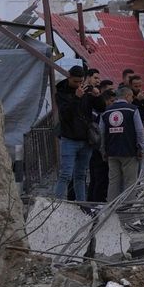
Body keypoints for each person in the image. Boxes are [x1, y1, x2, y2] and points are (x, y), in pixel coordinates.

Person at [52, 65, 93, 201]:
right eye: (75, 81)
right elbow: (65, 114)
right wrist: (76, 98)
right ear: (69, 77)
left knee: (81, 175)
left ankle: (82, 204)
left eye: (81, 82)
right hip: (69, 138)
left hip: (85, 139)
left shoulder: (86, 91)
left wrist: (97, 96)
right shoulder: (61, 93)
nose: (78, 84)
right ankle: (56, 204)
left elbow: (99, 107)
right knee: (66, 174)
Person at [98, 85, 144, 201]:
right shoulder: (133, 109)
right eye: (131, 97)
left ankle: (112, 206)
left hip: (112, 152)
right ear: (127, 96)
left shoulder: (106, 111)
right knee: (130, 182)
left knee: (113, 181)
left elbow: (101, 132)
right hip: (129, 151)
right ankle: (128, 207)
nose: (132, 99)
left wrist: (103, 150)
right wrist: (140, 146)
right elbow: (139, 130)